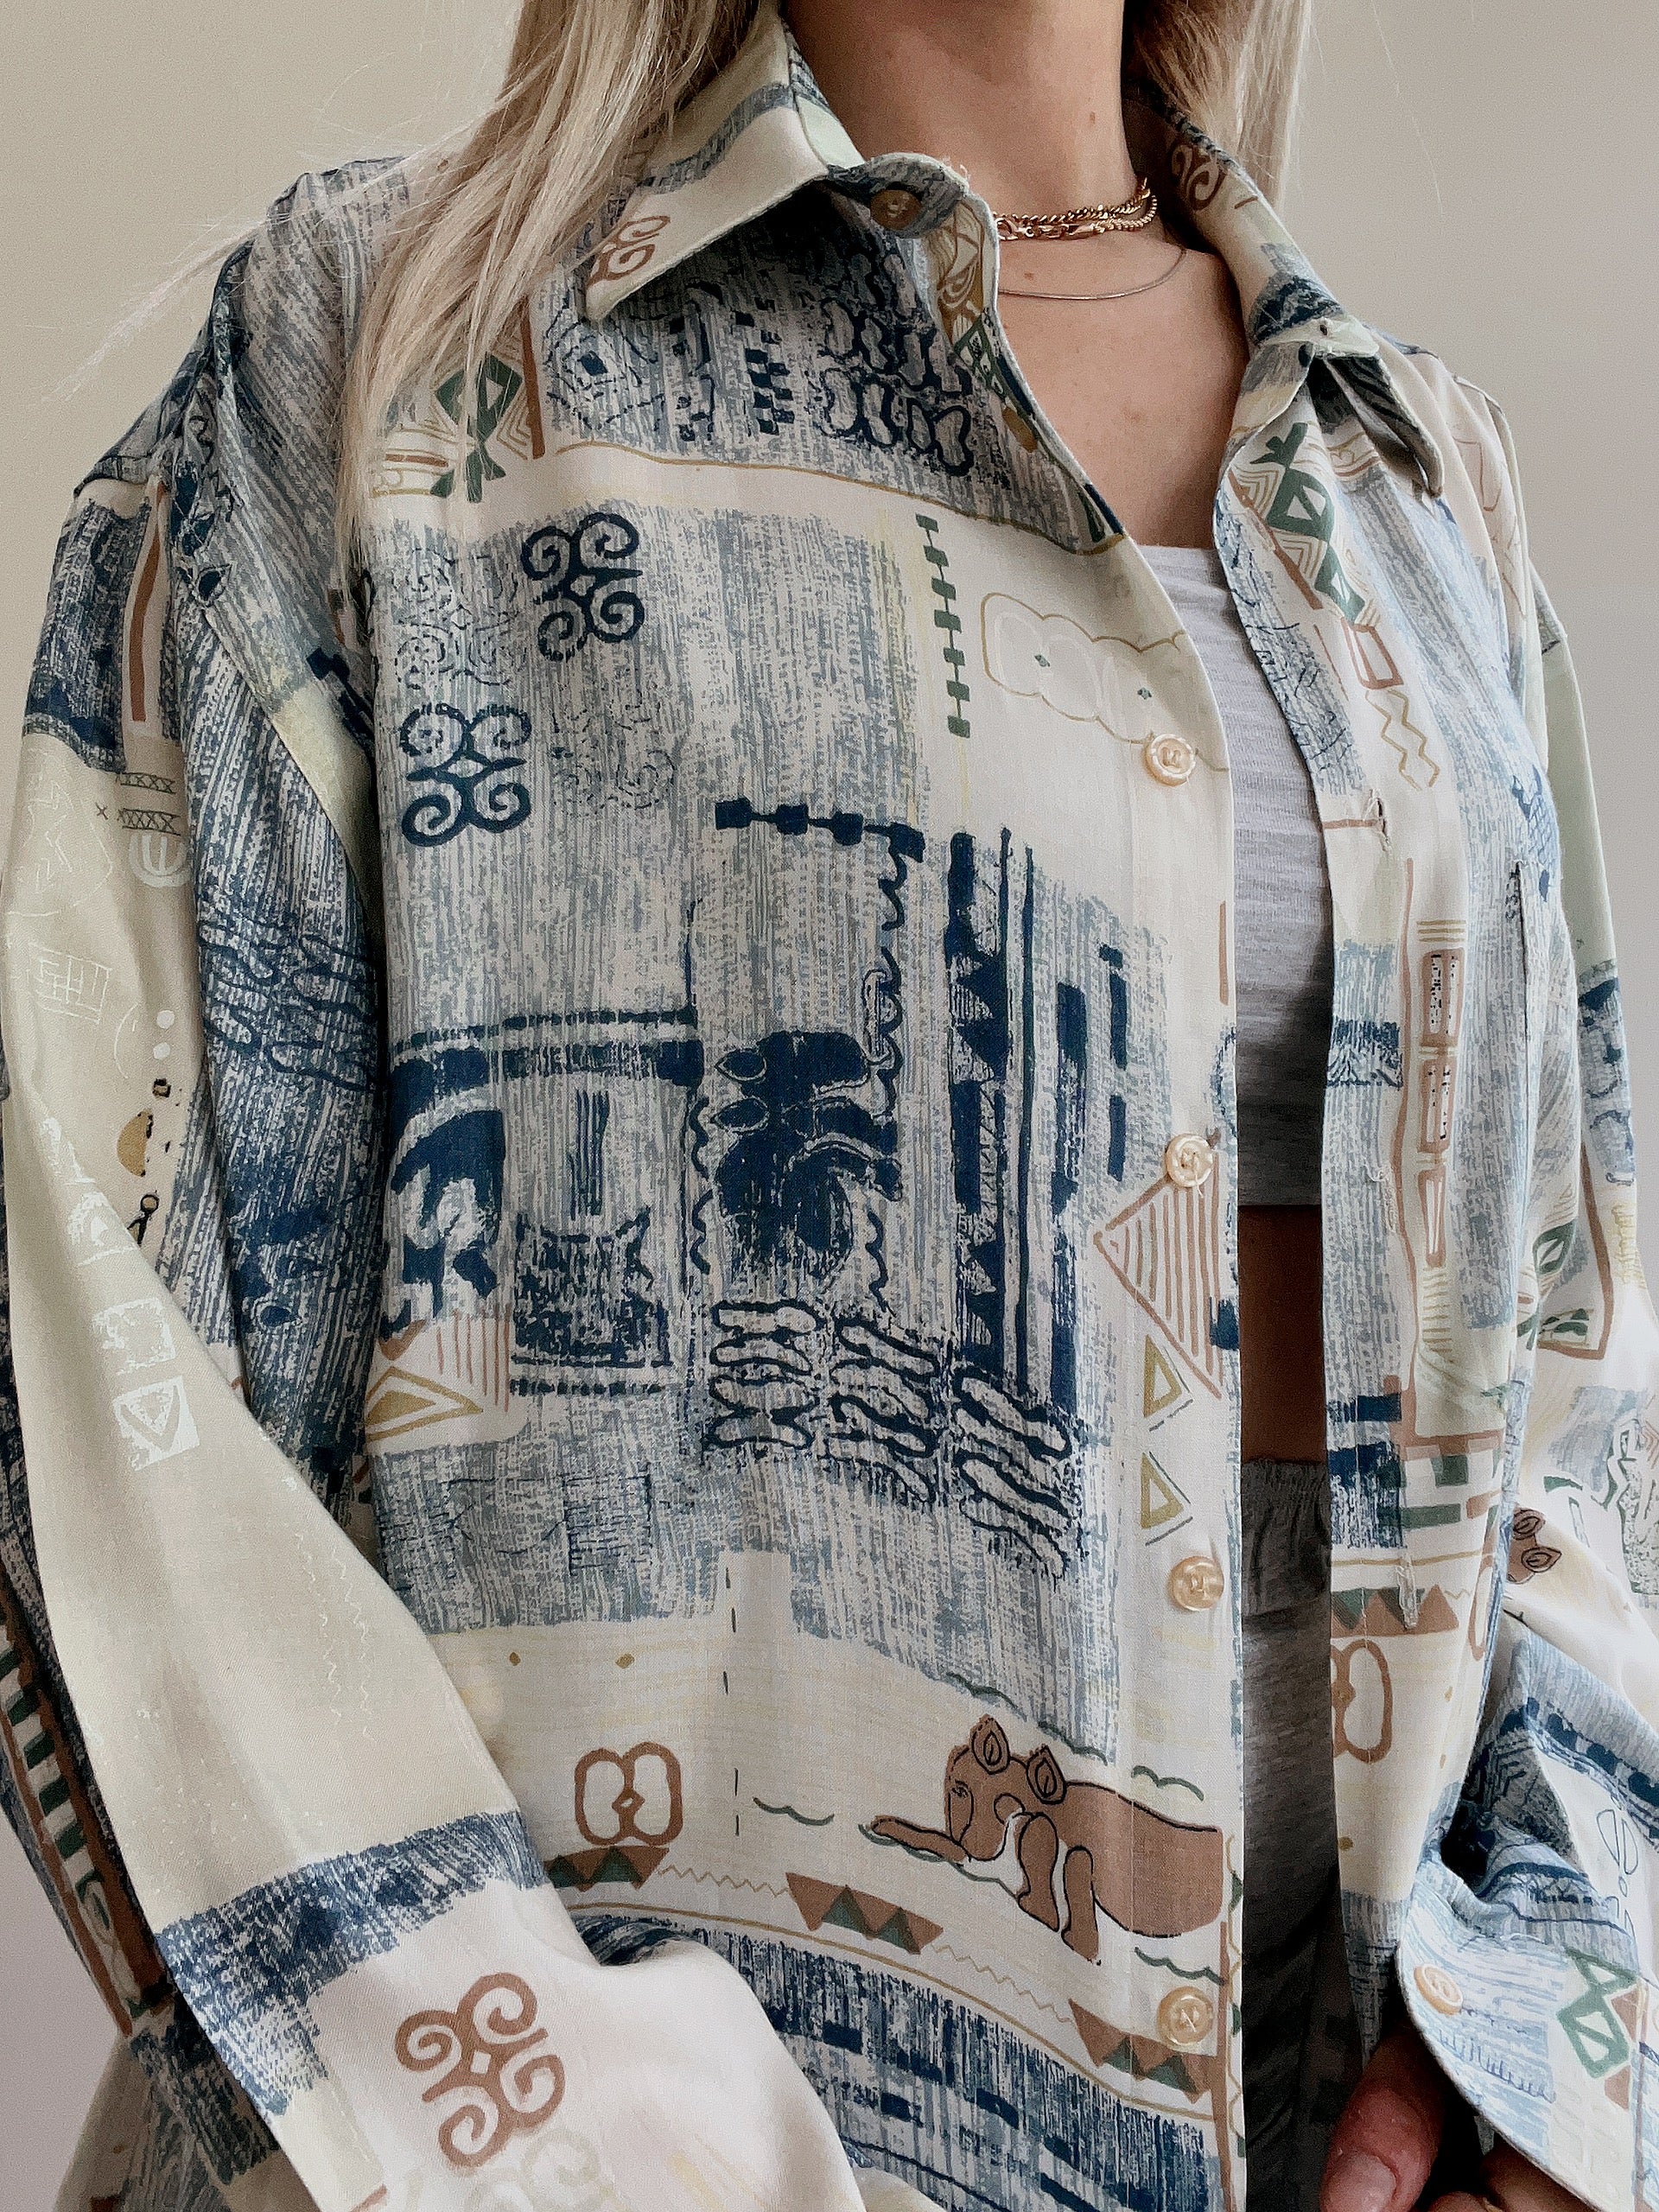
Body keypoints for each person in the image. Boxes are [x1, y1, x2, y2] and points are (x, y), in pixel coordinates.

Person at [2, 0, 1646, 2207]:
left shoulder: (1423, 484)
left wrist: (1558, 2054)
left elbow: (1584, 1380)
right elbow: (98, 1369)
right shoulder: (393, 361)